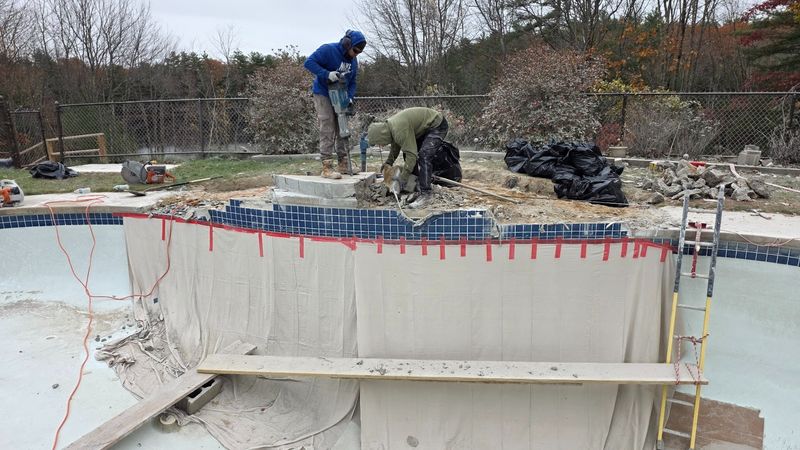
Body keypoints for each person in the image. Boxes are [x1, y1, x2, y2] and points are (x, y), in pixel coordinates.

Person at [304, 30, 367, 179]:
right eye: (355, 50)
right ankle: (327, 166)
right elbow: (309, 62)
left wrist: (350, 97)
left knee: (342, 127)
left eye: (358, 53)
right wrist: (327, 74)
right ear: (347, 44)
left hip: (341, 94)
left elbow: (353, 82)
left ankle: (343, 163)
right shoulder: (328, 50)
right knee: (327, 125)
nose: (355, 55)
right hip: (323, 93)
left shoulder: (353, 61)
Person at [367, 107, 449, 205]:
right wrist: (389, 162)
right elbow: (395, 146)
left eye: (378, 143)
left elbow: (412, 155)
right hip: (423, 129)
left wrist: (402, 179)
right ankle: (416, 185)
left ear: (381, 136)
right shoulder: (391, 129)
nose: (380, 146)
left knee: (424, 155)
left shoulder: (398, 129)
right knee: (408, 154)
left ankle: (426, 194)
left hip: (436, 125)